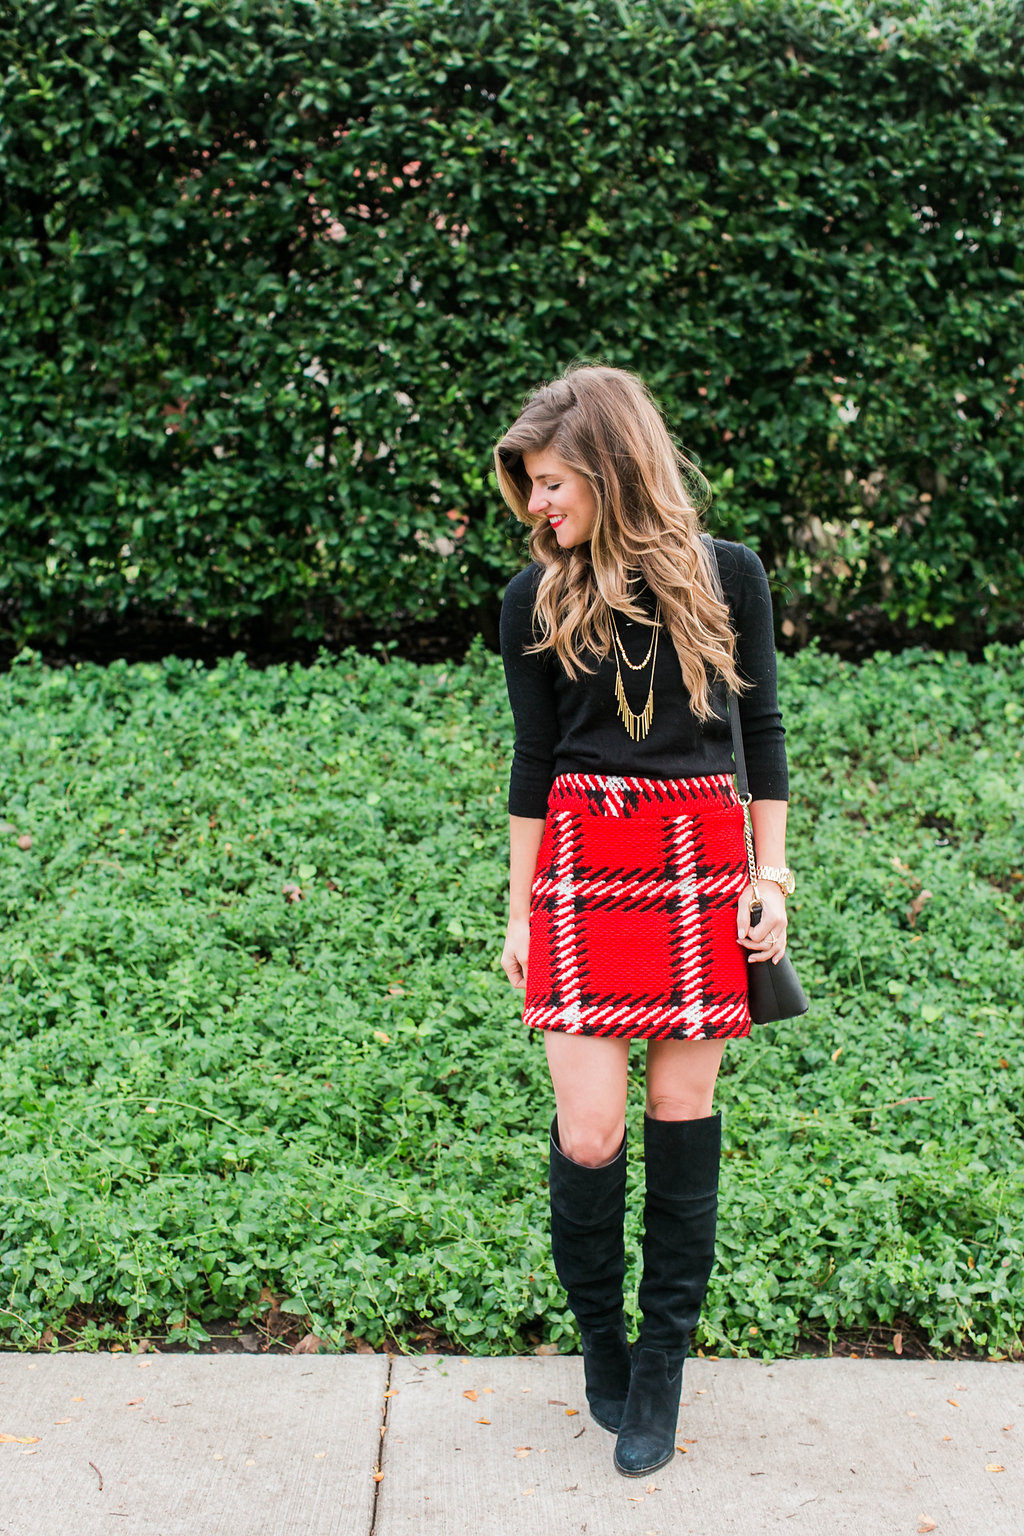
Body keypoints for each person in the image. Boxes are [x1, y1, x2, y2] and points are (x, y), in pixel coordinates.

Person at [495, 364, 793, 1478]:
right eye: (529, 486)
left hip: (700, 863)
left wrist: (773, 876)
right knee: (588, 1133)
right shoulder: (530, 598)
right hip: (582, 861)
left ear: (614, 470)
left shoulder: (728, 577)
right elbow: (531, 761)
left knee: (679, 1113)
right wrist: (523, 907)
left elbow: (760, 737)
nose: (537, 506)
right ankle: (601, 1347)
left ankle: (660, 1364)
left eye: (553, 482)